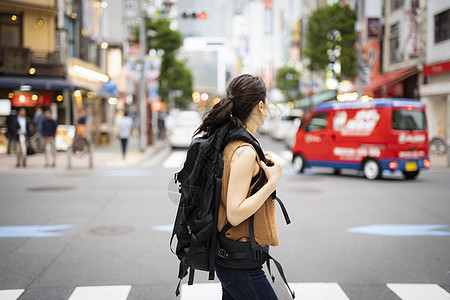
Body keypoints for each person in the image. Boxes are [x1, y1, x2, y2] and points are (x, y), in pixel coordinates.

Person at [195, 74, 283, 299]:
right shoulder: (243, 151)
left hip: (235, 257)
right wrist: (272, 182)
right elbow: (234, 213)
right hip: (240, 262)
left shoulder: (232, 141)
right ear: (260, 106)